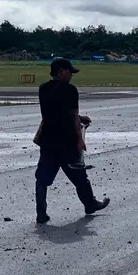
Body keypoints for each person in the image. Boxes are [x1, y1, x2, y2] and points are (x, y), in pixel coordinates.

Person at [34, 58, 110, 224]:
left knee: (42, 179)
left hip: (47, 141)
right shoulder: (70, 90)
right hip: (66, 141)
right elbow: (73, 116)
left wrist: (78, 117)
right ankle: (90, 204)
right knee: (79, 175)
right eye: (69, 72)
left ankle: (41, 213)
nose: (71, 76)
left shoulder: (43, 88)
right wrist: (80, 140)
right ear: (61, 72)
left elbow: (55, 112)